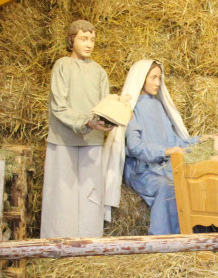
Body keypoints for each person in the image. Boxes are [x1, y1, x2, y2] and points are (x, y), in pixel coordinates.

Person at [114, 59, 208, 235]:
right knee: (168, 186)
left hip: (164, 166)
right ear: (141, 79)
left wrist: (200, 140)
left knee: (192, 180)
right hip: (142, 170)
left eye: (159, 78)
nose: (157, 83)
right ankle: (161, 238)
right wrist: (164, 151)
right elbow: (134, 147)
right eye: (153, 78)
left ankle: (192, 235)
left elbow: (173, 141)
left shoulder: (158, 105)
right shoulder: (131, 108)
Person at [40, 20, 113, 238]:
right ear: (72, 40)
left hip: (92, 142)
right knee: (62, 194)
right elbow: (59, 106)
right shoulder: (62, 66)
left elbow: (104, 106)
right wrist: (85, 122)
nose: (89, 44)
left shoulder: (99, 72)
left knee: (91, 194)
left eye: (92, 40)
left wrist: (110, 120)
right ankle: (59, 242)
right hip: (64, 141)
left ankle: (90, 242)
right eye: (83, 39)